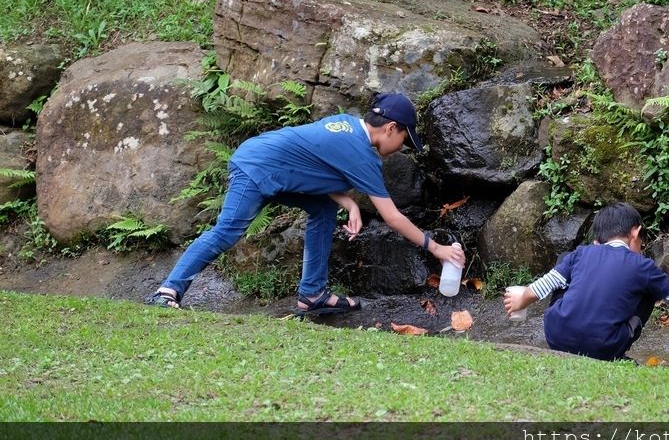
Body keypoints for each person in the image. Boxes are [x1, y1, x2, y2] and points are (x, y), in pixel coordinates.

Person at [145, 92, 464, 315]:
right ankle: (167, 291)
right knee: (228, 232)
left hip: (272, 169)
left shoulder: (348, 126)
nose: (401, 148)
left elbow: (314, 164)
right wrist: (436, 248)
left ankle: (313, 295)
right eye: (404, 141)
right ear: (391, 129)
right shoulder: (362, 154)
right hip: (255, 167)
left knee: (324, 209)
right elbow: (392, 217)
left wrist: (350, 205)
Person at [503, 202, 669, 361]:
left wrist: (522, 298)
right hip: (602, 347)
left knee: (564, 271)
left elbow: (546, 284)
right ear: (635, 233)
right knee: (651, 290)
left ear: (598, 240)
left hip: (556, 337)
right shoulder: (643, 266)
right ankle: (615, 355)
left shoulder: (581, 253)